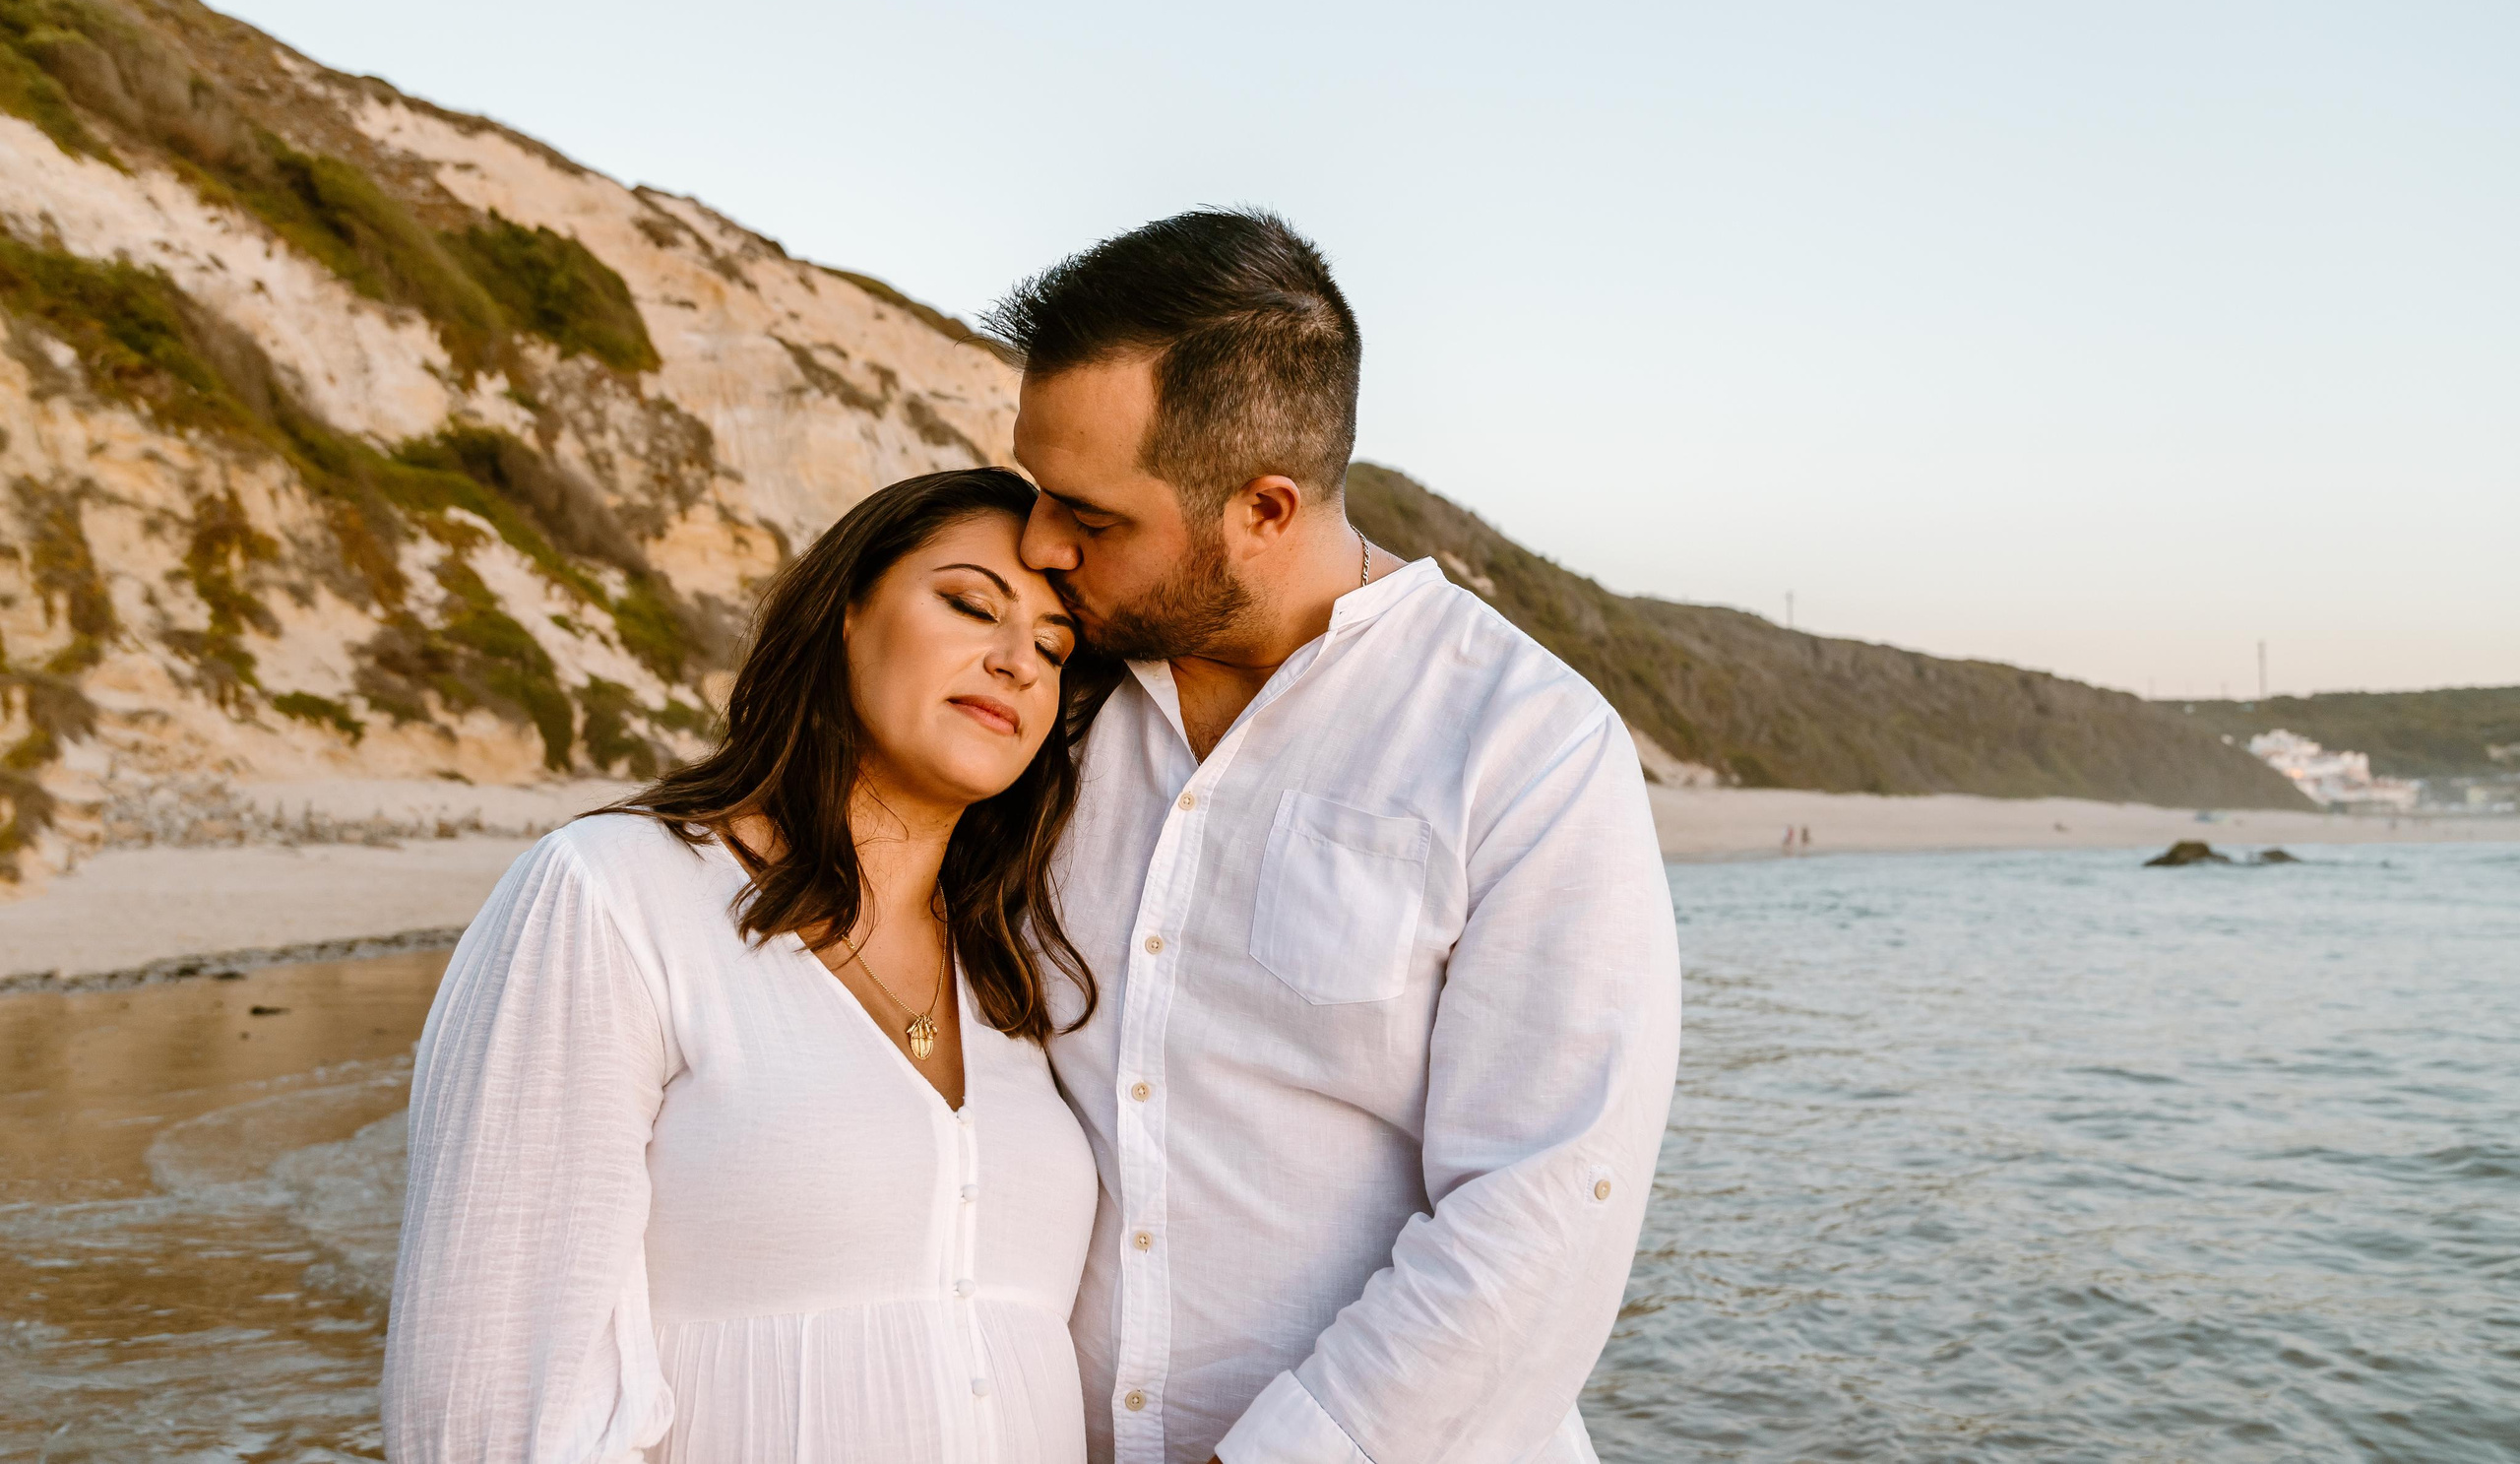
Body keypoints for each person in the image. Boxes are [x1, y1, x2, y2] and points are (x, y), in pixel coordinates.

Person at [995, 209, 1683, 1464]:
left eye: (1090, 516)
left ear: (1264, 507)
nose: (1040, 543)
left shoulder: (1523, 745)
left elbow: (1542, 1210)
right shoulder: (1045, 696)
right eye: (1037, 492)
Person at [382, 468, 1115, 1463]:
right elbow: (491, 1404)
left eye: (1054, 647)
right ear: (844, 615)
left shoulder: (1017, 971)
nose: (1016, 662)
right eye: (971, 605)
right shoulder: (614, 892)